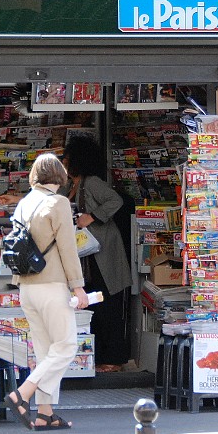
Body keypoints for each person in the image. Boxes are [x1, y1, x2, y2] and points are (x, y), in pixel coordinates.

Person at [3, 152, 88, 431]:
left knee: (44, 352)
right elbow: (67, 248)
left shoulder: (25, 203)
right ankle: (22, 394)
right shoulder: (58, 203)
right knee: (65, 347)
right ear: (60, 176)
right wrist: (78, 287)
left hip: (26, 286)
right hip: (52, 285)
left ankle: (44, 413)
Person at [62, 133, 131, 373]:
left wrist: (91, 217)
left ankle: (114, 358)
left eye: (67, 159)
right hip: (89, 257)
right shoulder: (73, 185)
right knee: (94, 304)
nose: (64, 164)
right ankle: (100, 355)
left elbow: (115, 200)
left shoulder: (91, 183)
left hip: (103, 256)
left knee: (107, 305)